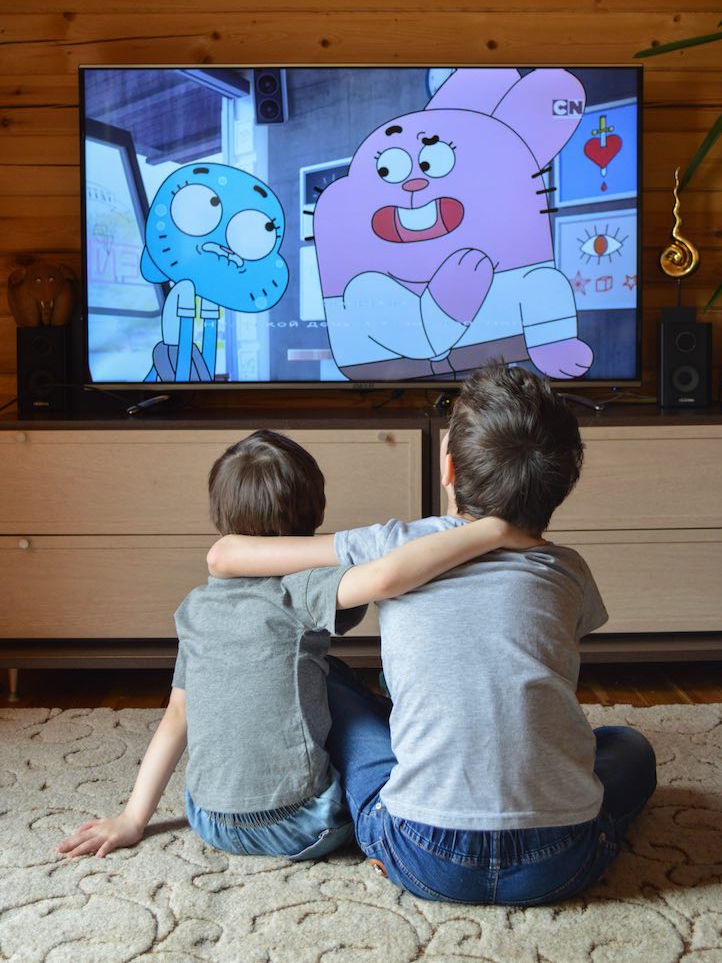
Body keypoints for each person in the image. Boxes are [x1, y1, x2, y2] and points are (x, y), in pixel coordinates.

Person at [206, 366, 657, 904]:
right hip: (558, 860)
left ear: (448, 468)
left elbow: (226, 555)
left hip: (421, 852)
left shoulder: (393, 543)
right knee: (628, 746)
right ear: (560, 486)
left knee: (333, 683)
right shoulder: (568, 570)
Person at [57, 428, 535, 863]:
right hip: (302, 823)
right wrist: (489, 531)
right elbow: (387, 577)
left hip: (209, 818)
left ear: (219, 516)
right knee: (341, 688)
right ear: (317, 513)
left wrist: (132, 818)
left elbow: (177, 715)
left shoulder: (195, 607)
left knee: (321, 673)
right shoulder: (306, 587)